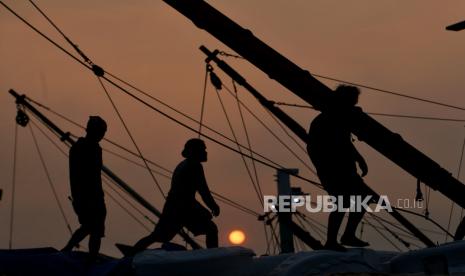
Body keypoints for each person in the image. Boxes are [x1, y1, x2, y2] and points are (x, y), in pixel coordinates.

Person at [307, 85, 371, 251]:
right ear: (344, 101)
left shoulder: (336, 118)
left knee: (361, 197)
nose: (354, 105)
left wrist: (358, 158)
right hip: (334, 169)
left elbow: (345, 141)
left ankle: (347, 235)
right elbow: (337, 143)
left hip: (342, 168)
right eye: (352, 102)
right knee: (342, 201)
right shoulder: (328, 120)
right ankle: (333, 241)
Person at [132, 138, 220, 253]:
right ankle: (213, 256)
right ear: (196, 151)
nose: (205, 152)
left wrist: (206, 210)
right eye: (203, 150)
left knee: (158, 236)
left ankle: (133, 252)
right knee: (211, 229)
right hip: (182, 208)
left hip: (174, 207)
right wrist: (213, 207)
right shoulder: (194, 166)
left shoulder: (184, 164)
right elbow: (203, 190)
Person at [62, 116, 107, 259]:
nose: (102, 136)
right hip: (86, 196)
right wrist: (79, 197)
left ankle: (89, 255)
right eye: (101, 132)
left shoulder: (91, 148)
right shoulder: (83, 147)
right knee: (91, 226)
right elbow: (79, 174)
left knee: (95, 228)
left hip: (94, 196)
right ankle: (72, 251)